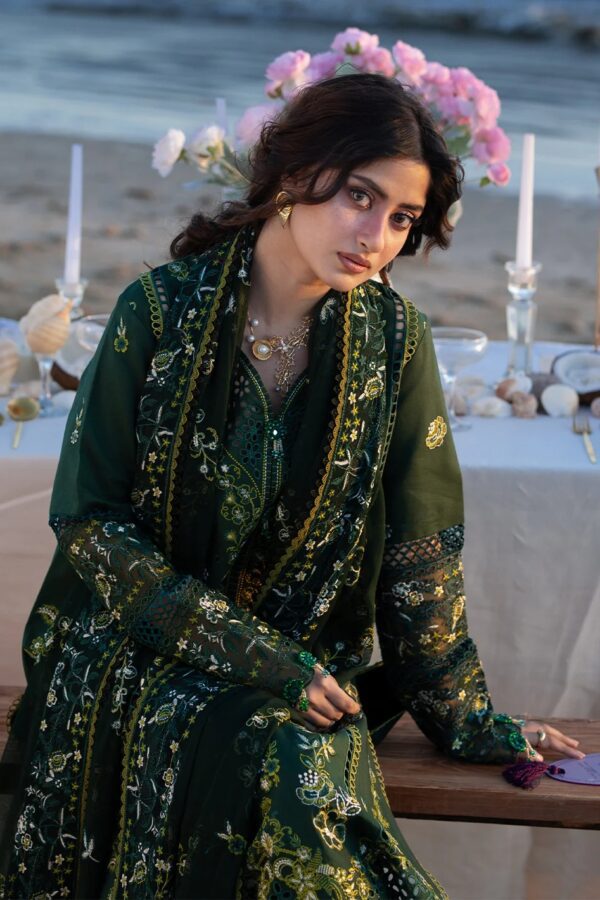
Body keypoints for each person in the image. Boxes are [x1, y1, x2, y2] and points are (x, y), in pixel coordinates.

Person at [0, 73, 583, 900]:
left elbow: (419, 557)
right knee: (271, 749)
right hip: (140, 646)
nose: (376, 236)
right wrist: (256, 656)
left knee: (290, 750)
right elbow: (92, 524)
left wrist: (467, 721)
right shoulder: (157, 315)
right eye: (359, 196)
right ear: (292, 175)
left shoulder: (396, 343)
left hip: (308, 671)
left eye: (402, 218)